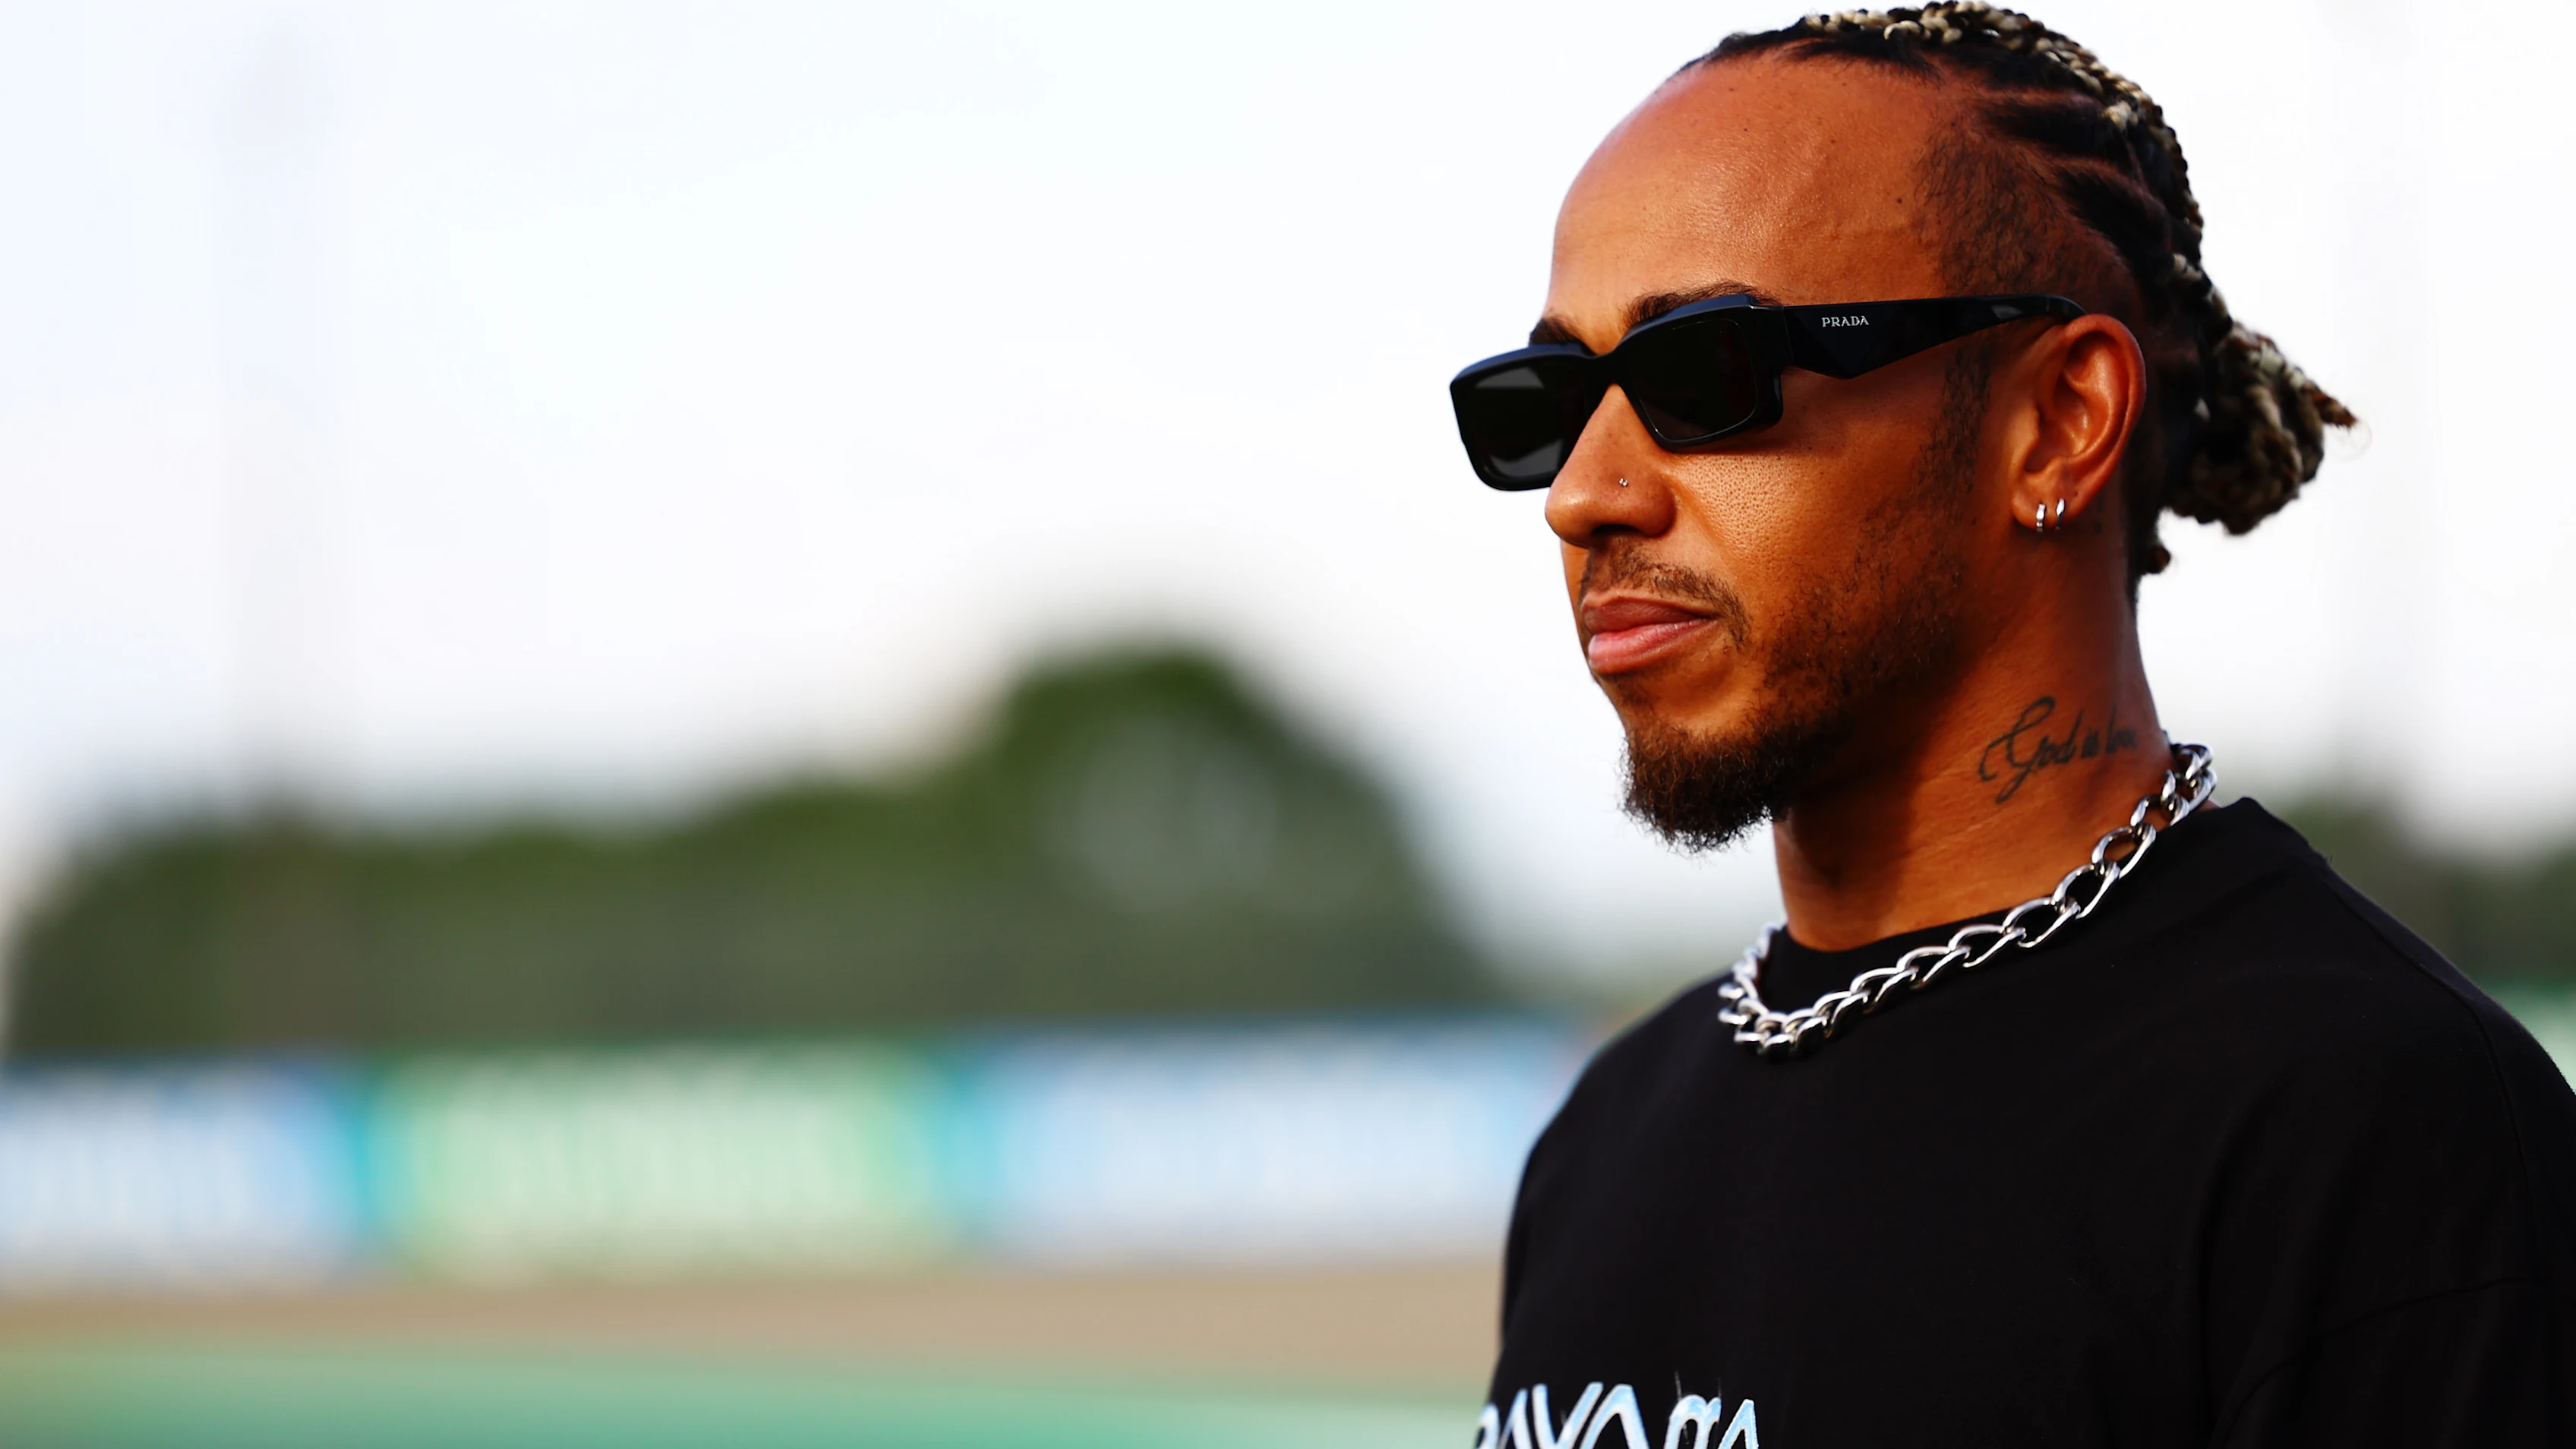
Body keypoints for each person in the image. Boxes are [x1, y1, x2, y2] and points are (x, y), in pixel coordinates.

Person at [1447, 6, 2576, 1445]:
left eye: (1706, 377)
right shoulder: (1610, 1135)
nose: (1586, 494)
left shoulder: (2362, 1122)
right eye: (1546, 403)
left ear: (2056, 421)